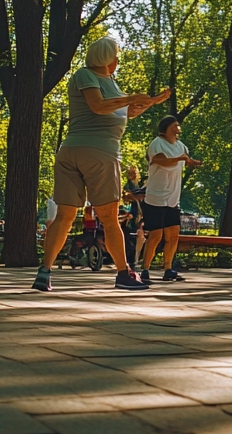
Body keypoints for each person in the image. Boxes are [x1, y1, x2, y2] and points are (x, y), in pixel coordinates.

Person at [34, 37, 170, 292]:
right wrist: (130, 98)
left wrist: (146, 102)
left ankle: (45, 272)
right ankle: (123, 274)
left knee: (65, 216)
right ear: (109, 59)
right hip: (99, 154)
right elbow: (98, 106)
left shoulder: (110, 83)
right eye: (116, 56)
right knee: (108, 218)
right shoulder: (86, 75)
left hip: (73, 152)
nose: (118, 61)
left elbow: (121, 112)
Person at [141, 115, 200, 283]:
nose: (178, 127)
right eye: (175, 125)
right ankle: (145, 269)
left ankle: (168, 269)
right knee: (155, 235)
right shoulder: (157, 143)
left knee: (173, 236)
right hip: (156, 198)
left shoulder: (181, 146)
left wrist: (191, 162)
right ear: (166, 128)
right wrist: (180, 158)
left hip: (173, 199)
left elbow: (185, 161)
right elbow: (161, 160)